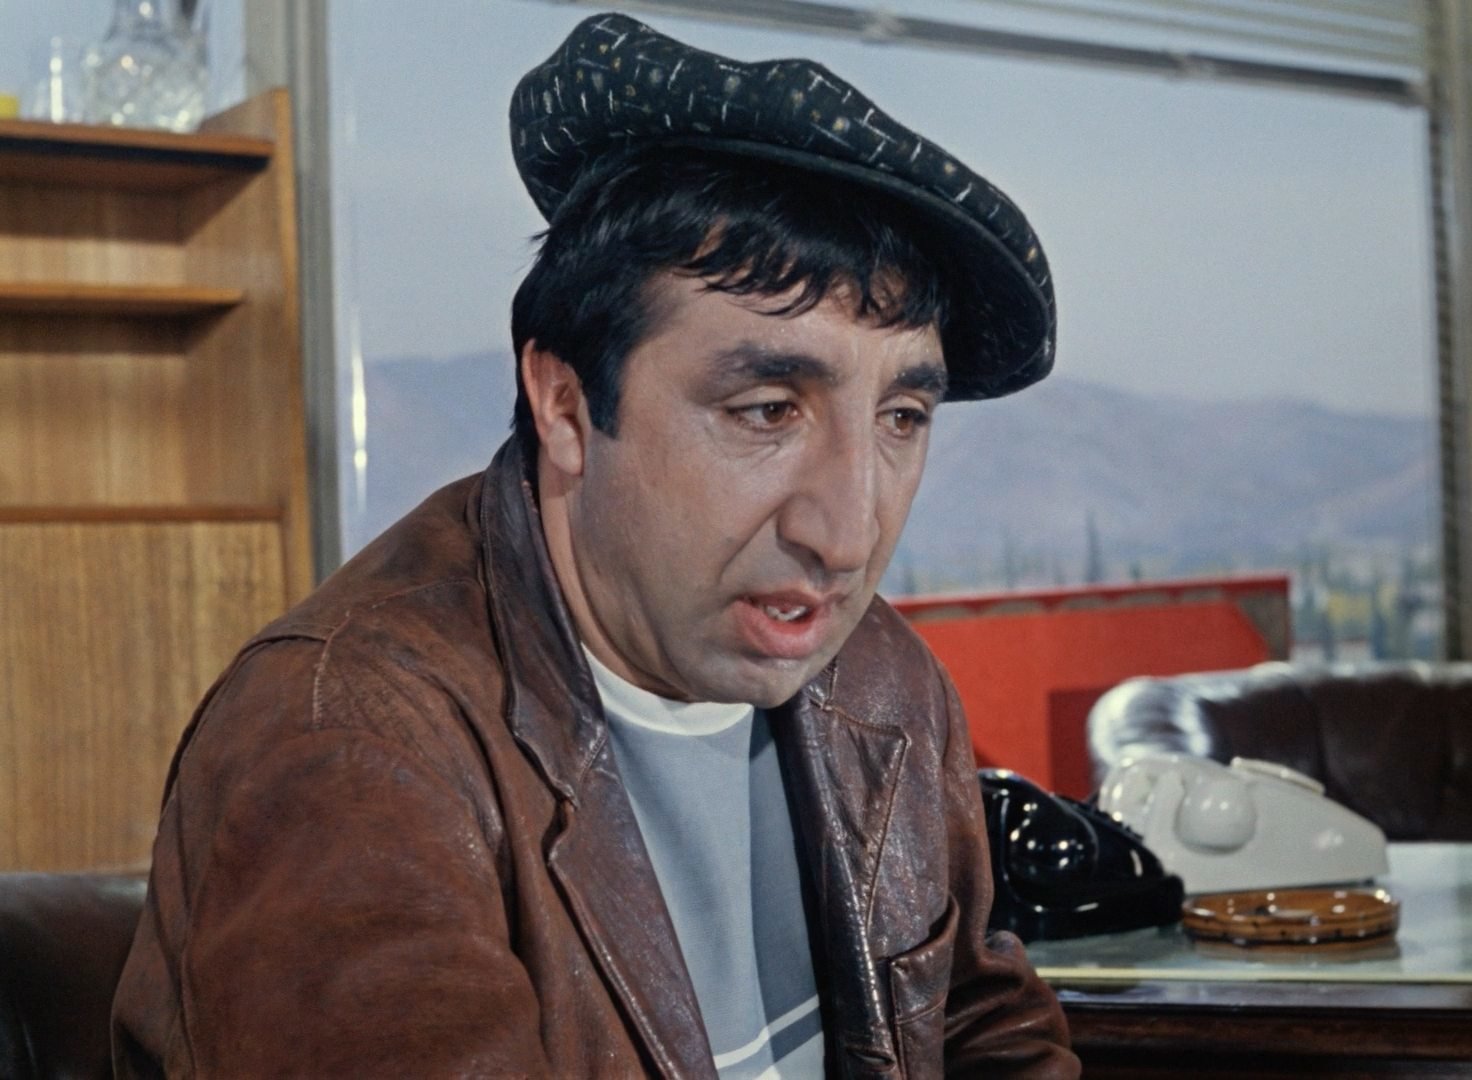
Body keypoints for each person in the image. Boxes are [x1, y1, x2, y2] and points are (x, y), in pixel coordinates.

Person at [112, 12, 1079, 1078]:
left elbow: (979, 1029)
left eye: (901, 418)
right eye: (765, 410)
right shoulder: (349, 744)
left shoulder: (881, 680)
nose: (847, 535)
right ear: (567, 407)